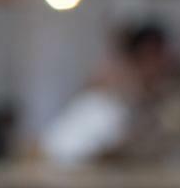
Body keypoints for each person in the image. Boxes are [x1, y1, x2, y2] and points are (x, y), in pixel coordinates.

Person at [38, 23, 171, 166]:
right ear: (142, 55)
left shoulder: (146, 95)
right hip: (66, 164)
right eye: (154, 56)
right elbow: (96, 149)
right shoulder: (106, 100)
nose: (161, 64)